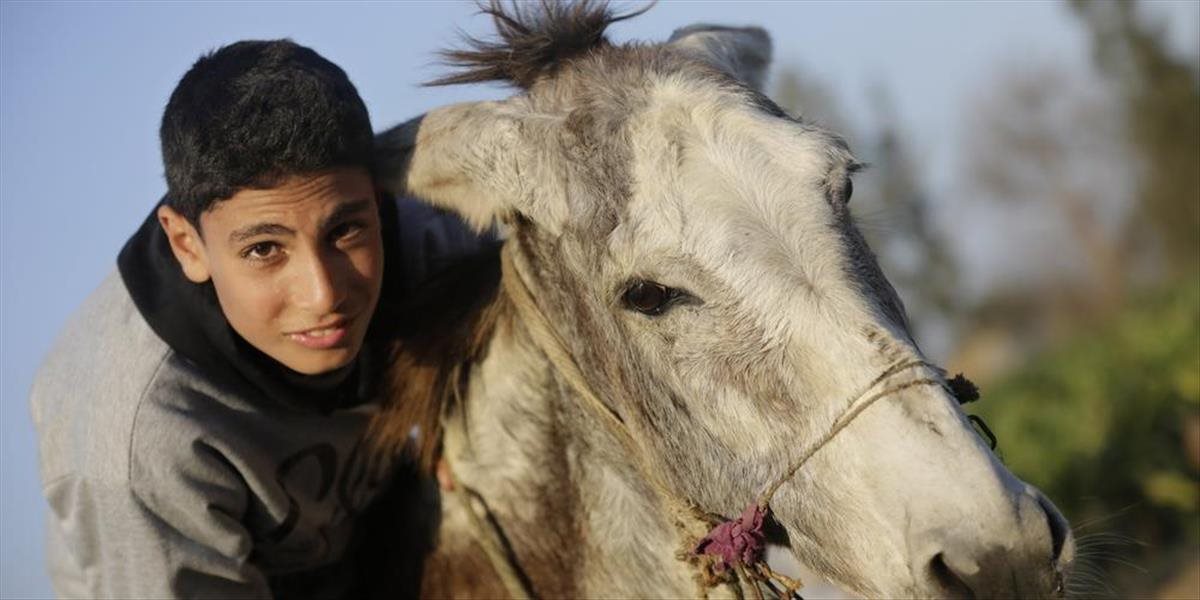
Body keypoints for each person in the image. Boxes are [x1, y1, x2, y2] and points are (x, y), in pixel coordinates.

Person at [30, 39, 483, 598]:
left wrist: (466, 413)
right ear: (187, 245)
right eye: (265, 250)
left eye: (345, 231)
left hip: (372, 552)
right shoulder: (137, 434)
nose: (323, 295)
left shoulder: (435, 247)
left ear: (378, 197)